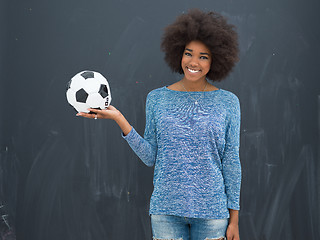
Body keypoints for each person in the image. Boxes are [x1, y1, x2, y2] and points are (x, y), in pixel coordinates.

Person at [77, 8, 241, 240]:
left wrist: (234, 220)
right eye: (188, 53)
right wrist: (119, 119)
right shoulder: (157, 98)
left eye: (203, 56)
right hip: (166, 213)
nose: (193, 62)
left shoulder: (228, 102)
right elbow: (150, 156)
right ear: (179, 53)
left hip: (212, 214)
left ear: (216, 59)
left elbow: (232, 163)